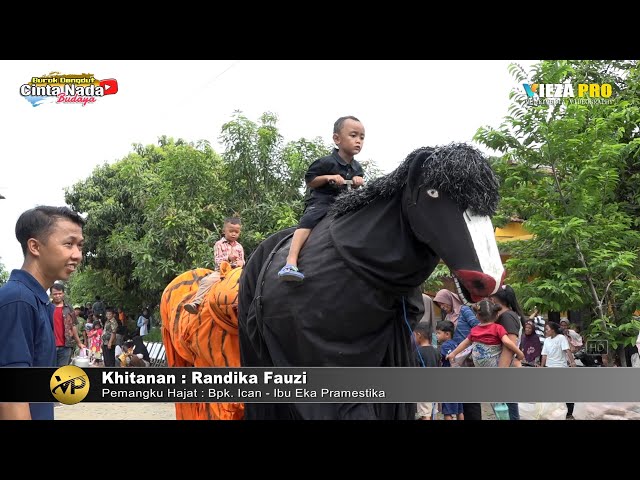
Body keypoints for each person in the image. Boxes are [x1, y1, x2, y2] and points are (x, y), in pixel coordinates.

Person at [0, 206, 84, 420]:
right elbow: (12, 399)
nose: (77, 255)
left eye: (80, 246)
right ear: (35, 246)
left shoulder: (37, 301)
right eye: (68, 244)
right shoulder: (18, 300)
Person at [278, 116, 365, 281]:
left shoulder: (357, 167)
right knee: (309, 220)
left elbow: (356, 184)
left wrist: (357, 182)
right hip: (322, 201)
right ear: (336, 139)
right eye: (353, 135)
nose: (358, 141)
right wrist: (328, 177)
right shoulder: (326, 162)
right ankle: (290, 260)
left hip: (345, 203)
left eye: (361, 137)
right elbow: (310, 181)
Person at [183, 217, 244, 314]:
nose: (234, 234)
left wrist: (241, 263)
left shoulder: (239, 247)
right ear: (224, 231)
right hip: (221, 272)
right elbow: (218, 261)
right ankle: (196, 303)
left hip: (236, 273)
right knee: (206, 281)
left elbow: (242, 261)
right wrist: (228, 258)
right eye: (231, 231)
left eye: (236, 232)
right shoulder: (219, 244)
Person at [446, 300, 524, 367]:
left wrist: (453, 353)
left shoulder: (474, 330)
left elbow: (465, 343)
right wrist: (519, 353)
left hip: (478, 364)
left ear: (477, 316)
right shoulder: (498, 328)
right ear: (497, 315)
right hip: (493, 365)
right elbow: (507, 342)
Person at [489, 284, 525, 420]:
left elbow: (509, 345)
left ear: (495, 299)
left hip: (505, 369)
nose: (489, 299)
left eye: (491, 296)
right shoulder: (506, 315)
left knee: (507, 412)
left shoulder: (507, 317)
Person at [541, 321, 576, 419]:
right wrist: (542, 366)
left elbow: (567, 350)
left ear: (553, 330)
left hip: (560, 367)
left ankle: (569, 411)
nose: (546, 331)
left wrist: (572, 362)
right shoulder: (547, 340)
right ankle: (556, 412)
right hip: (549, 367)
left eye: (547, 329)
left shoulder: (561, 338)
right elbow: (544, 355)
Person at [50, 282, 85, 366]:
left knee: (62, 371)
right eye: (55, 294)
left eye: (60, 293)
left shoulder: (69, 308)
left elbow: (73, 326)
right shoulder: (47, 307)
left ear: (63, 294)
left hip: (66, 345)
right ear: (51, 295)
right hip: (50, 346)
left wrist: (79, 342)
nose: (57, 296)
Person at [435, 320, 464, 420]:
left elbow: (439, 357)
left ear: (447, 334)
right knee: (459, 409)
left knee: (448, 411)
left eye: (438, 333)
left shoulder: (445, 346)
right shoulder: (455, 345)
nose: (436, 335)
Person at [413, 322, 439, 420]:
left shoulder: (417, 352)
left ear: (419, 335)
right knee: (432, 412)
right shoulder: (436, 351)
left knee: (425, 415)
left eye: (414, 335)